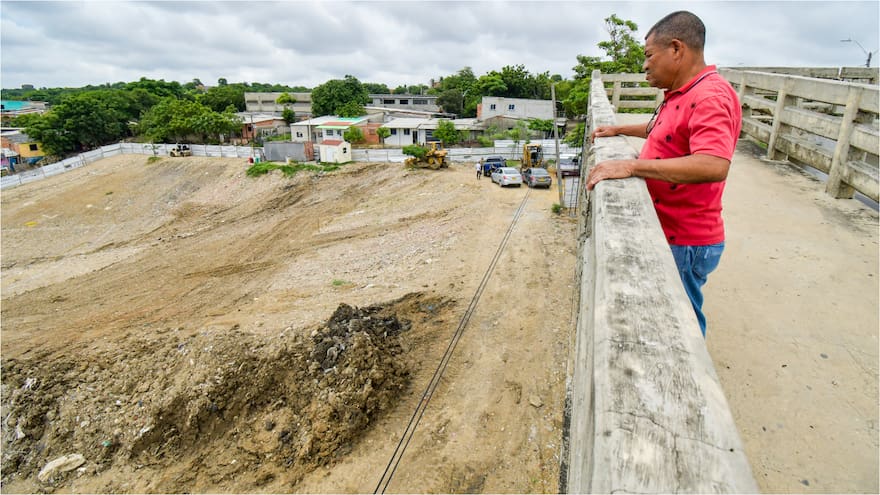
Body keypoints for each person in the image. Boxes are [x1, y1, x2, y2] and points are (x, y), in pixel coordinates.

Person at [586, 10, 742, 337]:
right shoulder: (683, 92)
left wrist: (632, 165)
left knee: (680, 323)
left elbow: (713, 164)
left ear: (676, 49)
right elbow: (662, 131)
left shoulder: (710, 95)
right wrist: (618, 129)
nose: (645, 65)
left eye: (648, 56)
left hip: (685, 238)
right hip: (672, 230)